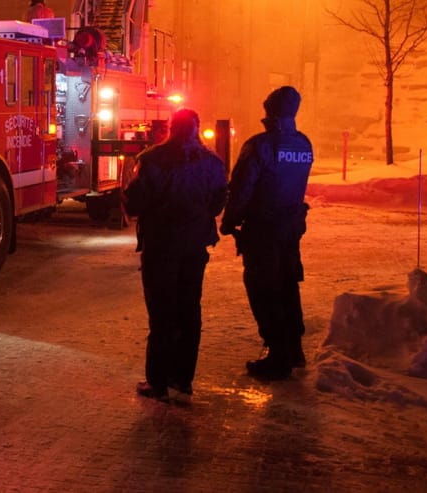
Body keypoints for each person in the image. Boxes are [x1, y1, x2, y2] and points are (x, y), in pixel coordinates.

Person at [123, 108, 227, 403]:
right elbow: (218, 202)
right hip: (194, 247)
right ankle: (183, 378)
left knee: (161, 313)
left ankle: (157, 382)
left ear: (170, 128)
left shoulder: (151, 159)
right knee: (189, 310)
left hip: (161, 246)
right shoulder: (211, 162)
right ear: (197, 129)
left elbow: (135, 203)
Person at [219, 86, 314, 381]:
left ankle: (278, 354)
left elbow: (242, 185)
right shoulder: (303, 143)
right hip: (290, 226)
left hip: (263, 228)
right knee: (287, 285)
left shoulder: (260, 145)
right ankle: (294, 348)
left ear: (269, 110)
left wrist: (230, 219)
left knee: (263, 288)